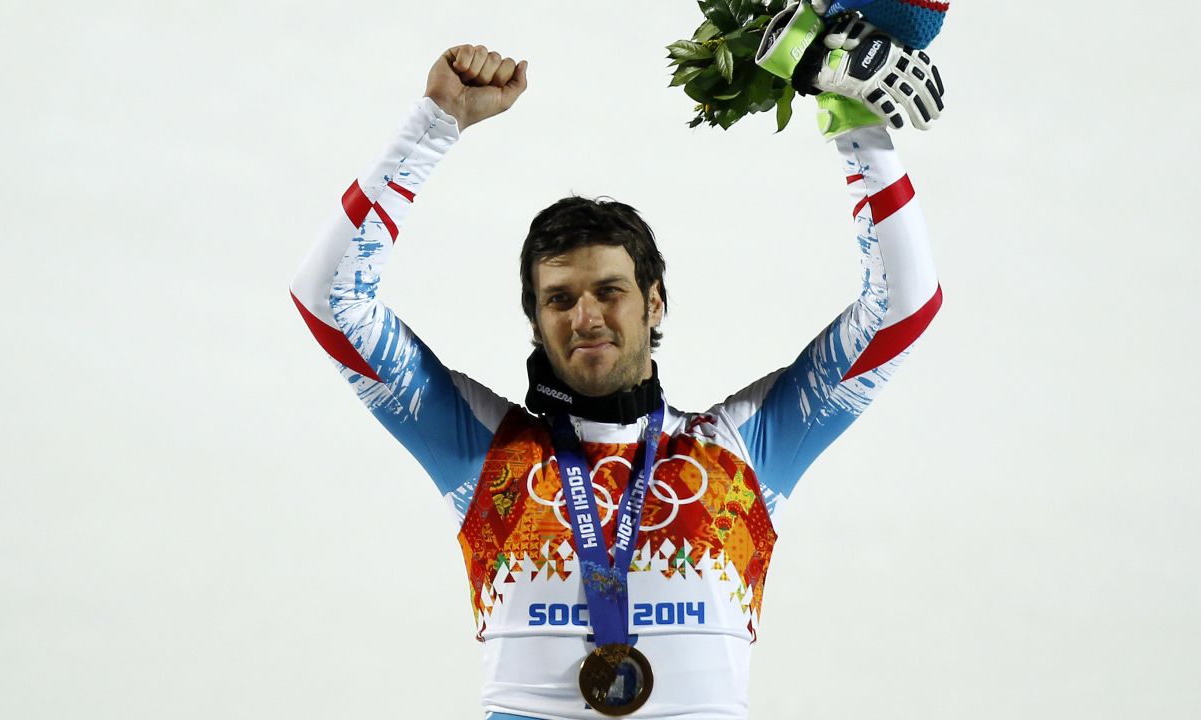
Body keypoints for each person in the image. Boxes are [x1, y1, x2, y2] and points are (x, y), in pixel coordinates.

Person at [290, 7, 944, 718]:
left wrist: (851, 113)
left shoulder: (741, 449)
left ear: (654, 302)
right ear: (535, 319)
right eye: (559, 299)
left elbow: (903, 306)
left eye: (609, 291)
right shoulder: (485, 452)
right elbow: (328, 299)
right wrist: (434, 123)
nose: (586, 317)